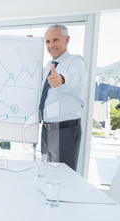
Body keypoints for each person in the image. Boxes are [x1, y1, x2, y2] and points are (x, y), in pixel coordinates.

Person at [39, 24, 88, 171]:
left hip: (65, 129)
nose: (51, 45)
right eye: (47, 41)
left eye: (55, 40)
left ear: (67, 40)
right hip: (47, 128)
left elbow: (76, 76)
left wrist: (61, 78)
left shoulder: (76, 61)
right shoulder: (49, 65)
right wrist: (28, 46)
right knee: (47, 172)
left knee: (64, 176)